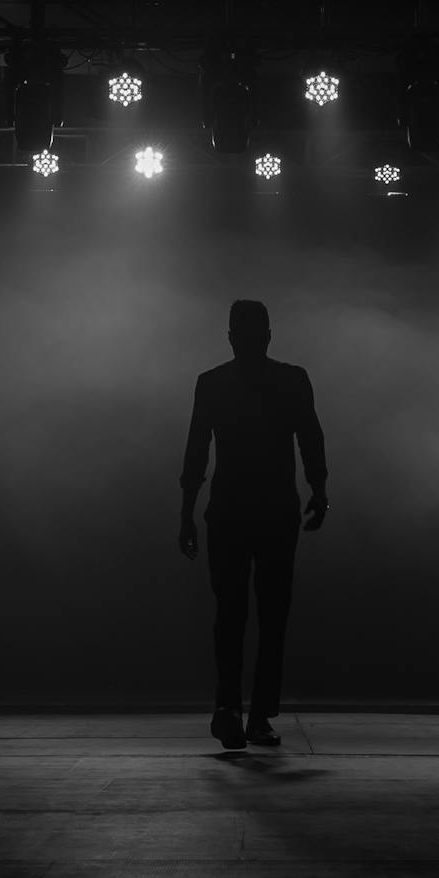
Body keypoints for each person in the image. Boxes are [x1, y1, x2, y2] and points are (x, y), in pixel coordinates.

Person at [180, 299, 327, 750]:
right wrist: (319, 489)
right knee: (270, 614)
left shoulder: (213, 383)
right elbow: (310, 437)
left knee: (232, 612)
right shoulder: (291, 380)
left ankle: (230, 706)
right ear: (268, 335)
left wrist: (186, 512)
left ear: (231, 337)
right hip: (274, 510)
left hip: (230, 510)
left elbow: (197, 450)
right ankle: (257, 714)